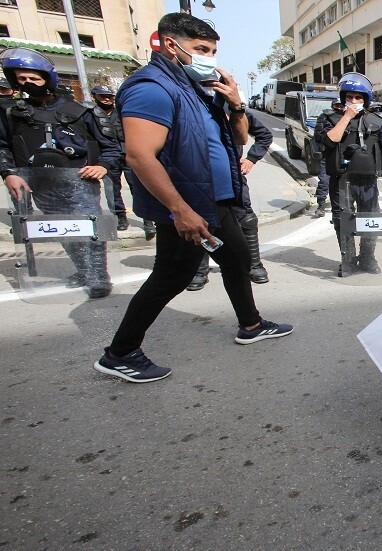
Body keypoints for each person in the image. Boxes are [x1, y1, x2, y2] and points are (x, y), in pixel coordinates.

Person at [93, 13, 293, 383]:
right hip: (186, 203)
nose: (209, 58)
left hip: (217, 199)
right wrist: (180, 210)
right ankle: (119, 353)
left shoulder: (199, 91)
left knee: (237, 258)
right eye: (201, 49)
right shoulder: (151, 87)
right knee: (172, 274)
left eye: (213, 51)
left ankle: (250, 324)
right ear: (171, 45)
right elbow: (139, 156)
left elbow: (238, 141)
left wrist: (235, 104)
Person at [0, 48, 122, 299]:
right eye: (22, 79)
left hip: (80, 183)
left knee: (89, 229)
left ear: (48, 78)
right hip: (40, 185)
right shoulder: (12, 113)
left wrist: (103, 166)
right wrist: (8, 172)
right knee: (61, 231)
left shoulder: (83, 111)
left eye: (34, 79)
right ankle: (83, 270)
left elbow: (111, 147)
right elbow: (3, 146)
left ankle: (98, 276)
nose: (28, 84)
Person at [320, 72, 382, 276]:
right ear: (343, 98)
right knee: (343, 221)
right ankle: (347, 260)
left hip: (367, 181)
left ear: (365, 99)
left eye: (358, 98)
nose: (354, 101)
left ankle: (367, 257)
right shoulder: (330, 118)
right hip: (341, 180)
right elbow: (330, 140)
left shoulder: (376, 120)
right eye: (349, 97)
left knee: (370, 219)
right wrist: (347, 116)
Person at [187, 110, 273, 290]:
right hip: (198, 177)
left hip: (233, 177)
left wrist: (251, 159)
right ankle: (199, 270)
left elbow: (265, 135)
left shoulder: (237, 111)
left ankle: (254, 265)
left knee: (247, 220)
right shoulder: (193, 107)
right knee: (200, 222)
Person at [88, 85, 130, 232]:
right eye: (102, 96)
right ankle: (119, 217)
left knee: (139, 188)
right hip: (109, 159)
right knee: (112, 190)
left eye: (110, 96)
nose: (107, 99)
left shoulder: (122, 112)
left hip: (128, 156)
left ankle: (148, 221)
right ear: (94, 96)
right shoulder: (91, 115)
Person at [311, 98, 344, 219]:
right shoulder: (325, 117)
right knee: (324, 179)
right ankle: (321, 205)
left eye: (342, 105)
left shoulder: (349, 117)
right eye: (338, 105)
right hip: (329, 153)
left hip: (344, 154)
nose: (340, 108)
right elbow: (318, 135)